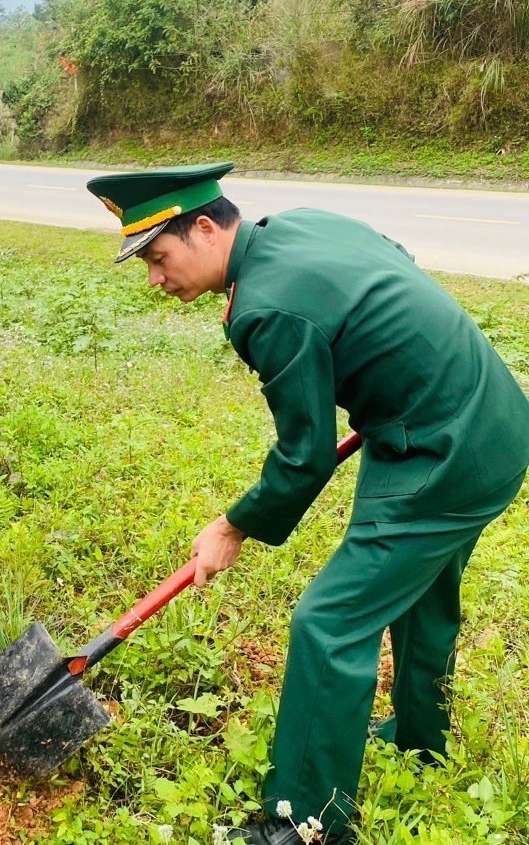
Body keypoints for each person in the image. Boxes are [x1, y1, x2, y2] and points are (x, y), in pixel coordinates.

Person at [86, 164, 529, 844]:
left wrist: (232, 525)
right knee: (421, 590)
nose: (154, 278)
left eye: (157, 257)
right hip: (492, 419)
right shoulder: (298, 226)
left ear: (205, 228)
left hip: (440, 452)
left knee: (330, 623)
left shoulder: (264, 307)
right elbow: (394, 259)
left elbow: (304, 455)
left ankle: (304, 821)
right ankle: (420, 735)